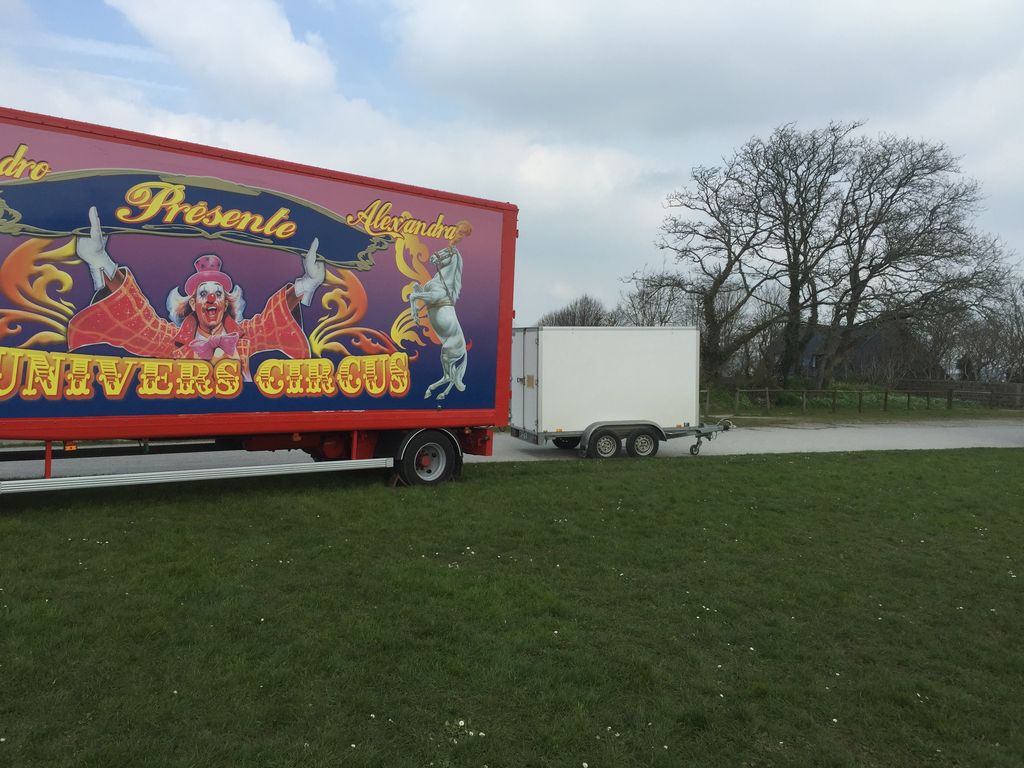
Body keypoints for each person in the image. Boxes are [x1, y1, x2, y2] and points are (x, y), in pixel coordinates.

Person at [67, 206, 325, 380]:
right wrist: (101, 261)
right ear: (192, 303)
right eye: (203, 294)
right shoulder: (173, 341)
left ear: (226, 302)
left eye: (218, 294)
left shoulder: (244, 336)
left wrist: (307, 283)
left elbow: (272, 320)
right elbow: (139, 320)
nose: (211, 298)